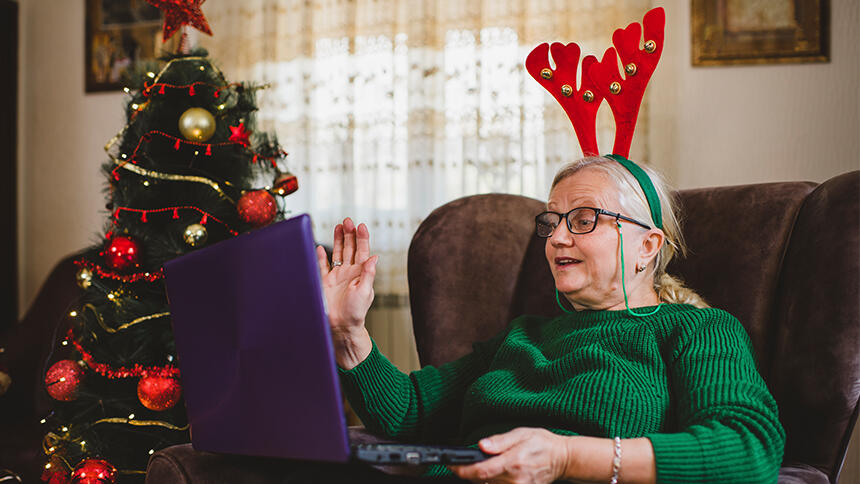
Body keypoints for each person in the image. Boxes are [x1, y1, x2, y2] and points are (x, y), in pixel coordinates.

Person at [315, 156, 785, 484]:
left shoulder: (699, 330)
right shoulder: (524, 335)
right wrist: (348, 334)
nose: (557, 237)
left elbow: (747, 448)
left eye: (582, 220)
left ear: (647, 245)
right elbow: (410, 412)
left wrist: (565, 457)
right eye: (552, 221)